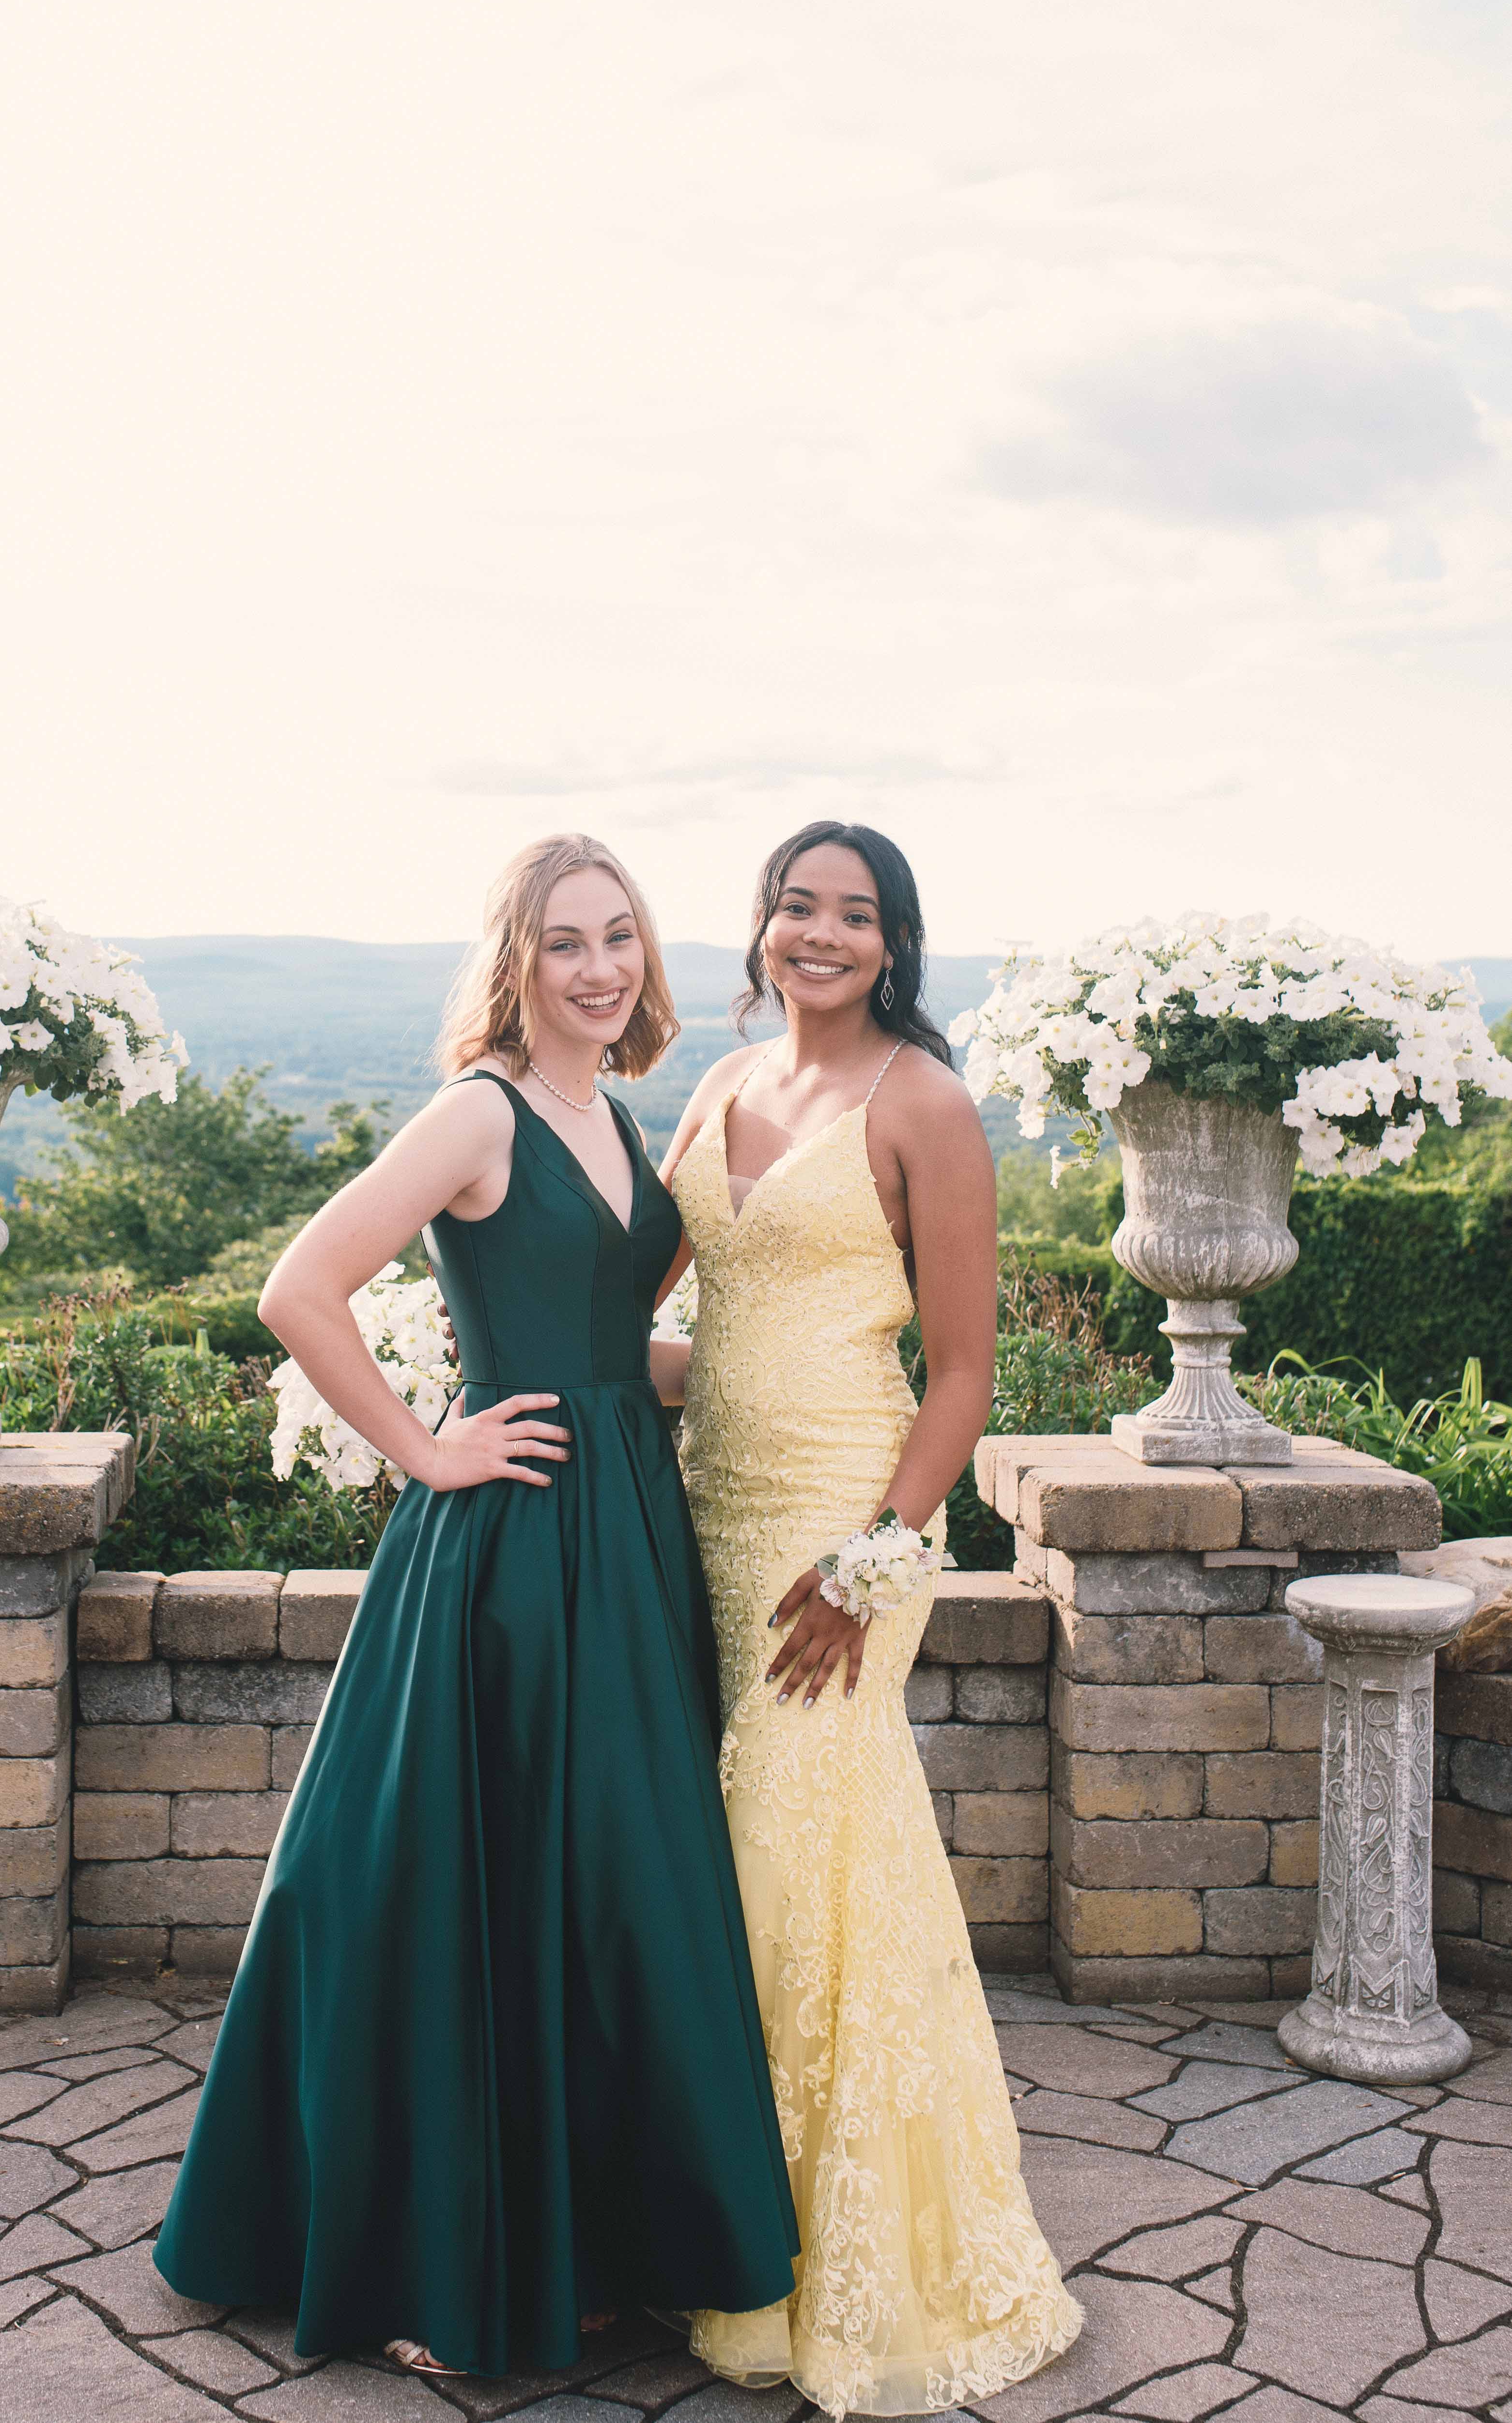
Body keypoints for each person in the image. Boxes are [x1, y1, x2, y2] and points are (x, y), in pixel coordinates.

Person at [154, 832, 797, 2378]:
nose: (600, 967)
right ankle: (448, 2259)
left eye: (620, 938)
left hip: (626, 1534)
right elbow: (299, 1287)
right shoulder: (479, 1113)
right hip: (512, 1552)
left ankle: (586, 2237)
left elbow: (601, 1337)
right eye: (566, 942)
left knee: (609, 1888)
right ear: (515, 962)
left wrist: (786, 1366)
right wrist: (427, 1451)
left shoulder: (613, 1114)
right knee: (491, 1885)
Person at [658, 819, 1082, 2418]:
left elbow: (963, 1373)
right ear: (761, 929)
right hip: (704, 1515)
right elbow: (678, 1323)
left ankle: (839, 2258)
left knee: (800, 1841)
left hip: (842, 1536)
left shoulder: (923, 1103)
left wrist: (874, 1559)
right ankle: (713, 2209)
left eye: (852, 914)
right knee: (736, 1854)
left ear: (892, 945)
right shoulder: (720, 1087)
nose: (818, 934)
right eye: (794, 905)